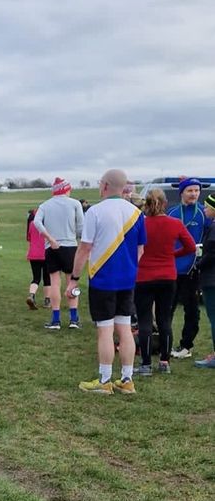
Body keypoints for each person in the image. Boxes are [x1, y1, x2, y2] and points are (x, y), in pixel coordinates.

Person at [67, 168, 146, 394]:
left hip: (103, 280)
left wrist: (74, 279)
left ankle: (104, 381)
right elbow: (141, 250)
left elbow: (84, 249)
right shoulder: (137, 214)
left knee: (104, 330)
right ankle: (127, 379)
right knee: (124, 328)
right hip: (127, 280)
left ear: (104, 186)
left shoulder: (95, 212)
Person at [132, 188, 195, 376]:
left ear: (146, 205)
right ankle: (165, 361)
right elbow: (191, 246)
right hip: (167, 276)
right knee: (164, 319)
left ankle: (145, 364)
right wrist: (173, 255)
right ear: (165, 204)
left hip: (143, 276)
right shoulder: (175, 224)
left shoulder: (140, 225)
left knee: (144, 320)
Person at [33, 178, 84, 331]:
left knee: (55, 282)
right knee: (72, 282)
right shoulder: (75, 203)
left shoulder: (45, 205)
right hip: (70, 246)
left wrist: (49, 238)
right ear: (66, 189)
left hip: (52, 247)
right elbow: (81, 227)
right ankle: (74, 319)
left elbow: (37, 222)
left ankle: (56, 320)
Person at [168, 178, 206, 358]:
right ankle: (163, 343)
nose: (194, 194)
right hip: (171, 268)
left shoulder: (204, 214)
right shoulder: (172, 213)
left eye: (196, 191)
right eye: (190, 190)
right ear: (182, 192)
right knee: (167, 308)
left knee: (192, 309)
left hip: (193, 269)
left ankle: (186, 346)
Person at [194, 191, 215, 369]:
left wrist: (198, 264)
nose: (204, 209)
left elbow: (212, 254)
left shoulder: (214, 229)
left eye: (207, 206)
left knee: (214, 318)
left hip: (212, 280)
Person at [25, 209, 51, 309]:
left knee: (36, 278)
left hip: (33, 254)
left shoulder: (32, 224)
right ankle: (47, 300)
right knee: (47, 278)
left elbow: (29, 239)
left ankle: (31, 295)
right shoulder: (49, 225)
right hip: (46, 253)